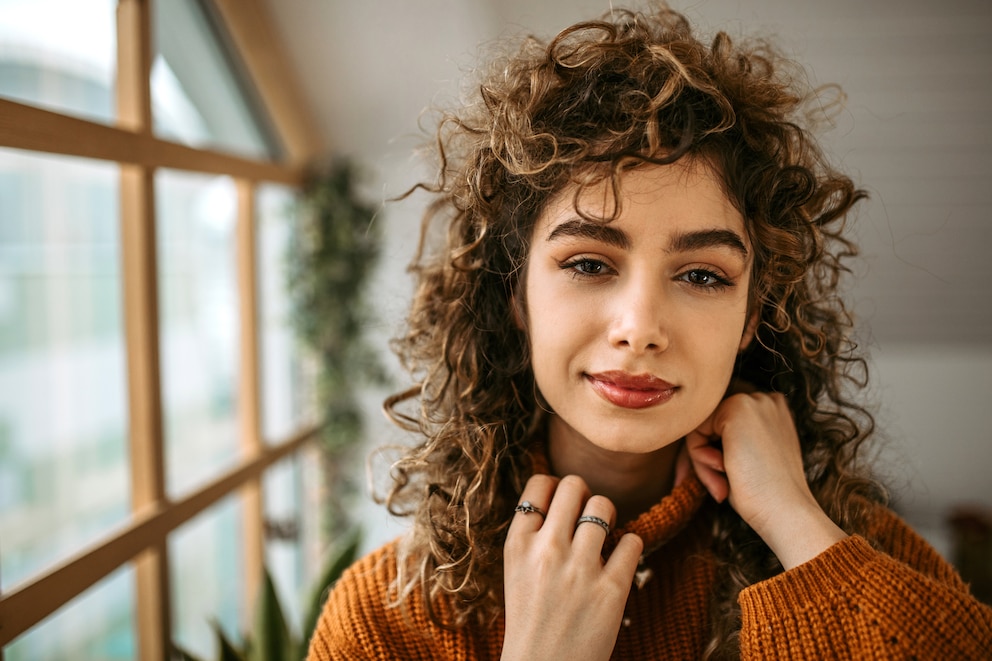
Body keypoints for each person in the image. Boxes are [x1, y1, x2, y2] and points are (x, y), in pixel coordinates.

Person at [306, 4, 992, 659]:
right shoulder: (383, 619)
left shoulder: (846, 548)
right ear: (515, 294)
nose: (639, 329)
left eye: (701, 276)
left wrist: (793, 519)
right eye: (588, 263)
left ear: (754, 314)